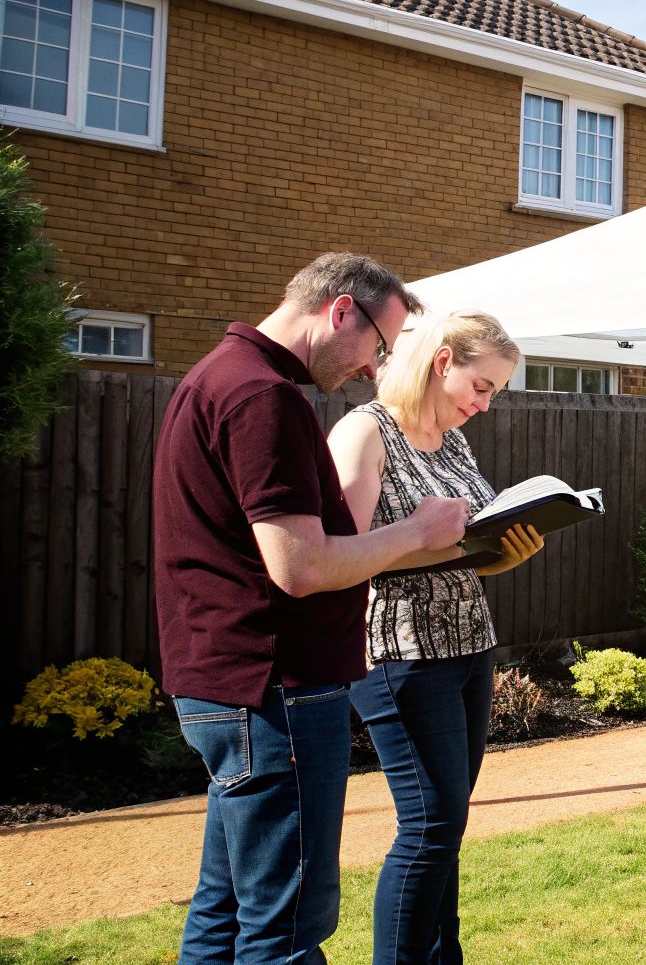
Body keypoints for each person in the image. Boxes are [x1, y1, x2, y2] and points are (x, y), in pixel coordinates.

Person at [153, 253, 471, 965]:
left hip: (227, 685)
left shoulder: (216, 376)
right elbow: (299, 567)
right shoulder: (261, 397)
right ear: (340, 311)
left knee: (226, 911)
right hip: (276, 691)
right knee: (286, 927)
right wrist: (417, 532)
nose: (373, 368)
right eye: (380, 347)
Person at [327, 310, 544, 964]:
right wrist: (439, 544)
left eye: (495, 394)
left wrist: (498, 554)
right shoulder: (364, 433)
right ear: (442, 361)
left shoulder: (450, 443)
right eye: (480, 387)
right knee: (431, 825)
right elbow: (338, 554)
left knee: (447, 828)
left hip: (470, 647)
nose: (483, 405)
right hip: (400, 655)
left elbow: (460, 542)